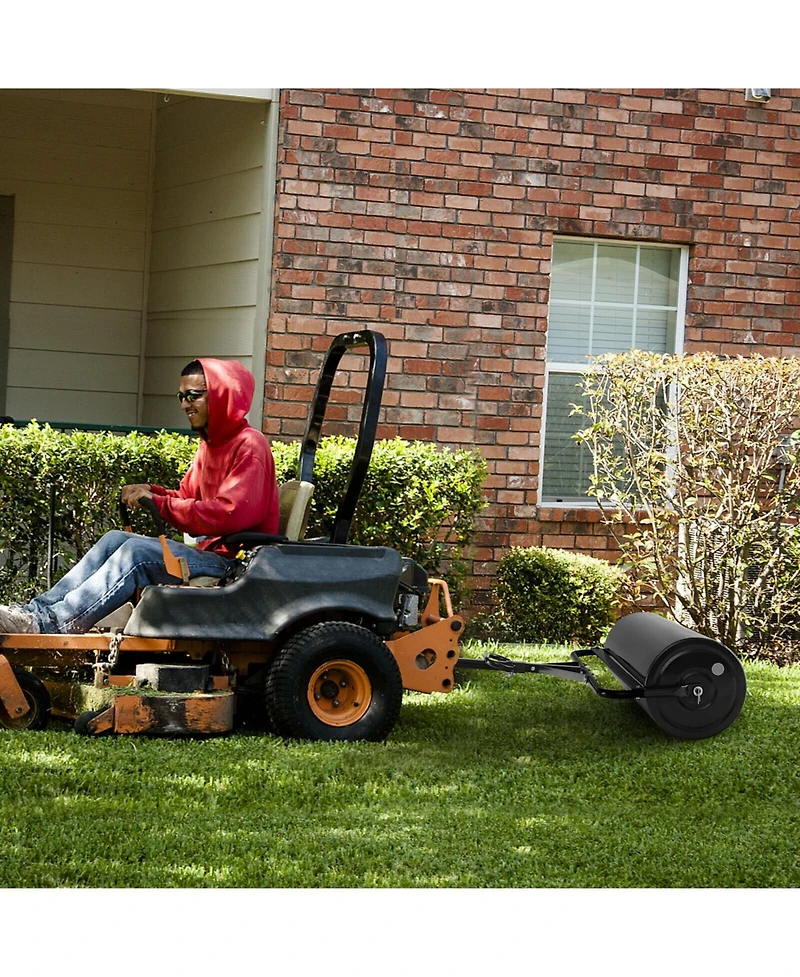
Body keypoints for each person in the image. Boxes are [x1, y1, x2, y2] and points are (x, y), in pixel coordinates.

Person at [0, 358, 279, 635]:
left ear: (221, 395)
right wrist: (149, 491)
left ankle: (50, 624)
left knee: (137, 554)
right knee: (115, 539)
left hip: (235, 563)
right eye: (181, 397)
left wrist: (159, 503)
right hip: (209, 554)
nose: (185, 405)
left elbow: (228, 513)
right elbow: (185, 496)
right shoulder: (210, 446)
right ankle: (35, 612)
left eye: (193, 395)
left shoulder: (250, 445)